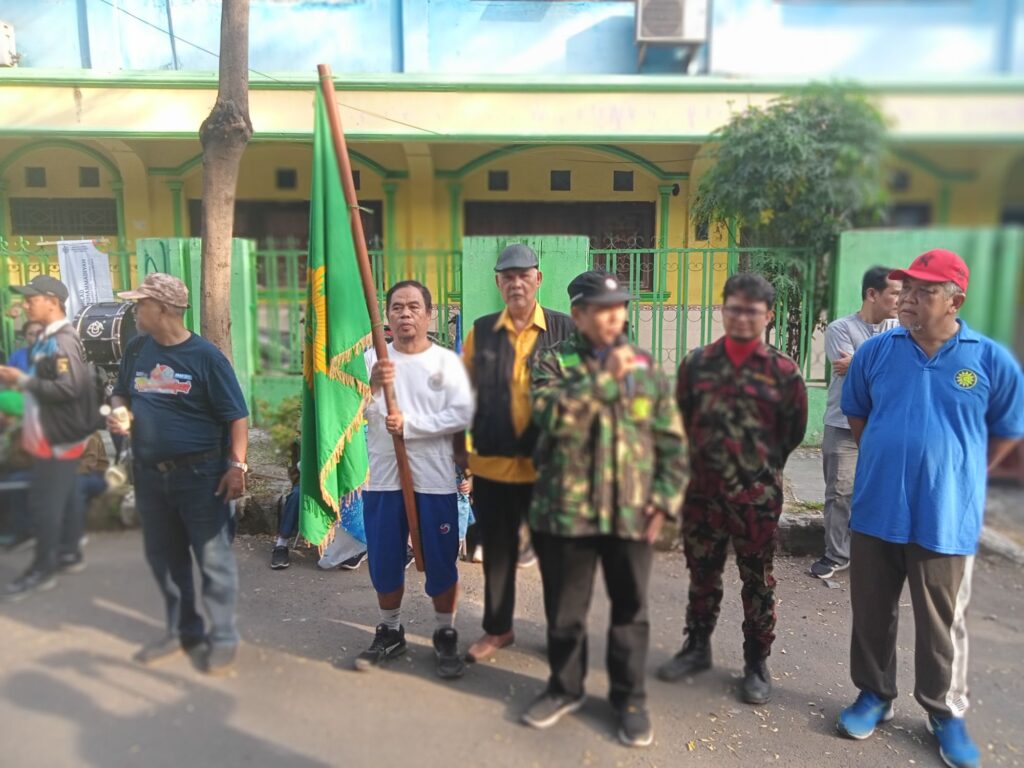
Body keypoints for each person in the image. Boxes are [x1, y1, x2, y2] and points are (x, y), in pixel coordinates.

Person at [835, 250, 1024, 768]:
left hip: (945, 515)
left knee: (941, 621)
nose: (908, 299)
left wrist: (961, 471)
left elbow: (1007, 430)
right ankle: (874, 694)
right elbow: (858, 413)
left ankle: (943, 711)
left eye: (925, 291)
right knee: (872, 611)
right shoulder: (876, 352)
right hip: (877, 509)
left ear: (954, 301)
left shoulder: (988, 359)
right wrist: (888, 458)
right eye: (907, 289)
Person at [521, 271, 687, 747]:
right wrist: (603, 380)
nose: (615, 317)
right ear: (578, 315)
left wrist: (665, 500)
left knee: (630, 609)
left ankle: (629, 698)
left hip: (630, 513)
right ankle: (565, 687)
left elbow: (671, 440)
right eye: (603, 309)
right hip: (566, 513)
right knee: (565, 609)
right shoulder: (551, 362)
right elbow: (551, 419)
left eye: (620, 307)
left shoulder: (645, 366)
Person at [657, 272, 807, 706]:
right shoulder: (696, 364)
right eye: (733, 309)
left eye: (751, 311)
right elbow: (682, 418)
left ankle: (756, 661)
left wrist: (757, 470)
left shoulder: (783, 372)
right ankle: (696, 645)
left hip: (755, 500)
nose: (741, 318)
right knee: (701, 574)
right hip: (701, 494)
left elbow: (792, 432)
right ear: (723, 310)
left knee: (757, 580)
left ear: (768, 315)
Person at [107, 273, 249, 676]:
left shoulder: (206, 358)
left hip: (201, 475)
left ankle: (223, 637)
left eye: (141, 304)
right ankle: (184, 631)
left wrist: (237, 466)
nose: (135, 311)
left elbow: (237, 416)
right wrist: (119, 412)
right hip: (150, 475)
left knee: (213, 559)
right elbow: (120, 392)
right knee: (165, 558)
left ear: (164, 309)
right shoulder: (137, 349)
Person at [353, 280, 474, 679]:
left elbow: (459, 417)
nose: (405, 313)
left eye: (414, 306)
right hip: (384, 479)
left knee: (441, 561)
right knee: (385, 558)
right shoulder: (371, 360)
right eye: (397, 307)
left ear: (429, 314)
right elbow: (349, 420)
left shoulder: (446, 363)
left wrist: (412, 425)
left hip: (434, 478)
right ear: (387, 315)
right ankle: (390, 629)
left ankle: (444, 633)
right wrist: (373, 388)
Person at [461, 243, 574, 663]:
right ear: (498, 283)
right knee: (498, 553)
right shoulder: (481, 331)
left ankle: (560, 635)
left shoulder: (566, 331)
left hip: (549, 471)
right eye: (507, 277)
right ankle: (498, 629)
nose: (516, 284)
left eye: (523, 275)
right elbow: (464, 396)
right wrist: (463, 454)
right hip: (494, 465)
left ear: (538, 279)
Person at [0, 275, 99, 600]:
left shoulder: (61, 341)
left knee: (45, 504)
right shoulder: (48, 337)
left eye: (32, 299)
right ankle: (69, 552)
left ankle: (42, 570)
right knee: (66, 495)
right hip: (49, 432)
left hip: (55, 436)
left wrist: (23, 380)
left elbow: (69, 388)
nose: (26, 304)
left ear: (52, 302)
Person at [810, 266, 901, 579]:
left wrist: (860, 361)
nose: (901, 300)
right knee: (840, 492)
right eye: (895, 293)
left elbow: (890, 369)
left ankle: (874, 554)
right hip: (843, 424)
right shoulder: (841, 328)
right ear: (872, 294)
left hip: (883, 426)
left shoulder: (899, 329)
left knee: (881, 491)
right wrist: (881, 364)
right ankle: (836, 555)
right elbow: (849, 371)